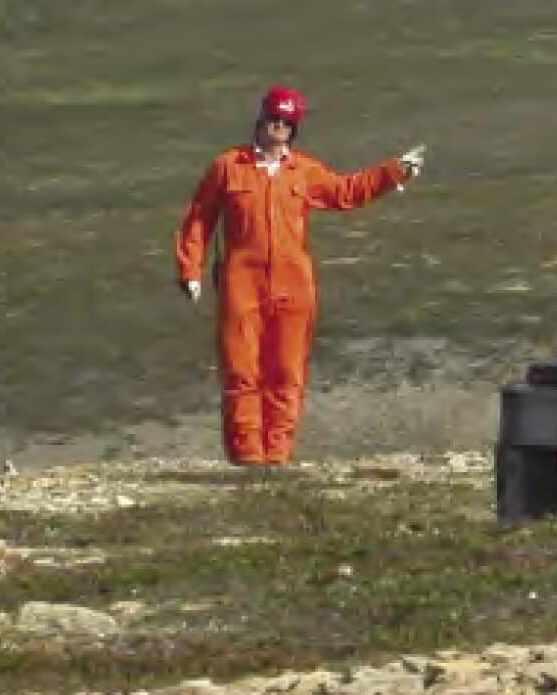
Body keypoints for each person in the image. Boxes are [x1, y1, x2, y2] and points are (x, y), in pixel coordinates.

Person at [174, 86, 424, 467]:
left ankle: (277, 459)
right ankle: (247, 459)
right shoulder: (228, 166)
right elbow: (199, 218)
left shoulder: (303, 170)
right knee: (242, 373)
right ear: (260, 120)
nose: (278, 127)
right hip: (242, 282)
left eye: (286, 123)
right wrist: (189, 269)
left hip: (294, 286)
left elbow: (346, 192)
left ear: (294, 129)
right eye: (273, 119)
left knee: (287, 375)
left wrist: (393, 173)